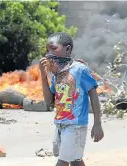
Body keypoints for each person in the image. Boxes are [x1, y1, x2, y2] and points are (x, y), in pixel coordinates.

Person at [39, 32, 104, 166]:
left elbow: (93, 93)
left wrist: (97, 124)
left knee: (62, 162)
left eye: (53, 48)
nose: (49, 53)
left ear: (67, 49)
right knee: (75, 161)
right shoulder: (57, 74)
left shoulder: (80, 69)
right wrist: (43, 74)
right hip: (61, 124)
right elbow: (49, 101)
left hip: (76, 125)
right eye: (47, 50)